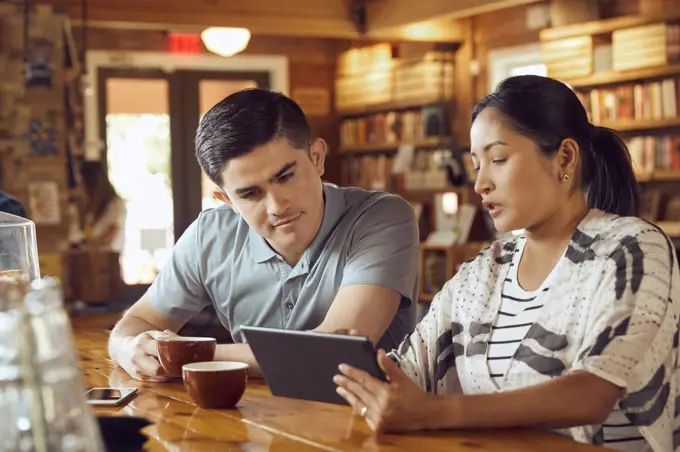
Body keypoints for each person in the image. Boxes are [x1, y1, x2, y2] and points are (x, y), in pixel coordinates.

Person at [334, 75, 680, 452]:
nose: (480, 182)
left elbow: (592, 392)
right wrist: (357, 373)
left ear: (565, 157)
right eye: (476, 164)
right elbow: (406, 371)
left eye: (498, 159)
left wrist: (437, 412)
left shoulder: (631, 249)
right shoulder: (483, 271)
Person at [108, 88, 420, 381]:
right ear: (227, 200)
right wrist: (128, 350)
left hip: (372, 426)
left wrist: (187, 354)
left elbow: (337, 352)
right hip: (251, 426)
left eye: (285, 176)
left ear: (317, 157)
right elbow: (135, 326)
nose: (277, 205)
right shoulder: (210, 236)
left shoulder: (383, 217)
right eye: (250, 193)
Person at [80, 161, 126, 252]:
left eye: (84, 183)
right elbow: (87, 232)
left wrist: (91, 243)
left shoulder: (116, 204)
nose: (83, 186)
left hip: (108, 257)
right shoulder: (91, 205)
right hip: (89, 255)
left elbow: (111, 236)